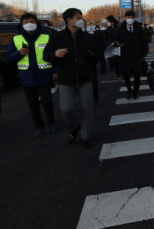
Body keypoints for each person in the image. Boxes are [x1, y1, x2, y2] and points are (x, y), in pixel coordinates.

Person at [43, 8, 98, 149]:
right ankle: (73, 129)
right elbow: (46, 55)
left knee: (86, 109)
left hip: (85, 78)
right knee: (66, 109)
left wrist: (91, 54)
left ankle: (85, 136)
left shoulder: (88, 37)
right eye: (78, 17)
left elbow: (99, 56)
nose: (81, 20)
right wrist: (55, 53)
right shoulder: (56, 37)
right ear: (69, 20)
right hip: (66, 80)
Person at [5, 13, 57, 137]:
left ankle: (50, 123)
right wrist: (18, 53)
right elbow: (8, 57)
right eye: (25, 22)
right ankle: (39, 126)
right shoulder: (16, 39)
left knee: (46, 101)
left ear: (36, 23)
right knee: (33, 105)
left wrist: (56, 71)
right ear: (21, 25)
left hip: (45, 75)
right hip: (27, 77)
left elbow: (54, 55)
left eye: (32, 21)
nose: (29, 23)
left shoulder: (46, 37)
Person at [116, 10, 148, 100]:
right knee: (126, 75)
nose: (130, 19)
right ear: (125, 18)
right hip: (125, 56)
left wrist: (143, 55)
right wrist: (117, 43)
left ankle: (135, 92)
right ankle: (129, 90)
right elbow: (115, 39)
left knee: (137, 75)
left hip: (136, 55)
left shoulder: (138, 28)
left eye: (132, 17)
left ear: (134, 18)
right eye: (128, 17)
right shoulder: (120, 28)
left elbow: (143, 42)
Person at [105, 15, 121, 80]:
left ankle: (120, 74)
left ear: (112, 22)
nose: (107, 23)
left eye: (108, 21)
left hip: (118, 47)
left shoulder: (118, 28)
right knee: (114, 62)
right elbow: (107, 38)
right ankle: (118, 74)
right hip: (111, 47)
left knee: (119, 62)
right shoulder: (109, 29)